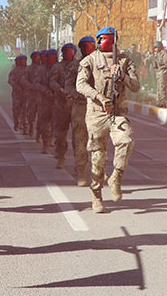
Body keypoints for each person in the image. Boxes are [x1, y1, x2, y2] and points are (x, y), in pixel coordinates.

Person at [76, 26, 140, 213]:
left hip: (117, 113)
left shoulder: (125, 61)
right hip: (97, 113)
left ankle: (116, 177)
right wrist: (99, 97)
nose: (104, 42)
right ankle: (96, 196)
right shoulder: (90, 60)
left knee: (126, 140)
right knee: (98, 158)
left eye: (109, 38)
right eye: (103, 38)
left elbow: (136, 86)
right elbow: (80, 84)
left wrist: (123, 76)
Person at [66, 36, 96, 186]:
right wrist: (77, 94)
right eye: (83, 46)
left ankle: (98, 171)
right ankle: (81, 171)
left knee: (99, 141)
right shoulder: (74, 66)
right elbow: (68, 86)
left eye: (89, 45)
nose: (86, 49)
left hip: (98, 108)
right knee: (80, 140)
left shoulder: (101, 63)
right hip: (81, 107)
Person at [50, 44, 77, 169]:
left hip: (77, 104)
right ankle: (61, 156)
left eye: (70, 51)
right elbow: (52, 81)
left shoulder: (80, 66)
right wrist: (61, 90)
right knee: (61, 134)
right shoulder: (58, 67)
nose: (68, 53)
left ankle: (79, 163)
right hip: (61, 104)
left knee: (79, 136)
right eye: (65, 51)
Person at [35, 50, 55, 154]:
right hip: (44, 101)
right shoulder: (41, 70)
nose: (51, 59)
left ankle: (52, 140)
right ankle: (45, 144)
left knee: (56, 125)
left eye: (53, 57)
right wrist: (45, 91)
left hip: (57, 101)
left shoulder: (59, 68)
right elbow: (36, 83)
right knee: (44, 124)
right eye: (49, 57)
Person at [8, 55, 28, 132]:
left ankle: (25, 127)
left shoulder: (28, 70)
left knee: (26, 110)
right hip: (17, 94)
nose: (23, 62)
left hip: (26, 93)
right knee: (16, 110)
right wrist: (16, 86)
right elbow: (10, 81)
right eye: (21, 60)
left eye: (24, 60)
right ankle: (17, 123)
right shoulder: (14, 71)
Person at [25, 52, 41, 137]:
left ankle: (39, 132)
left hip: (42, 95)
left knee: (42, 115)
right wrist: (30, 86)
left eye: (39, 57)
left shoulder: (42, 68)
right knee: (31, 113)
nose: (38, 59)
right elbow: (24, 80)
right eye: (36, 57)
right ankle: (31, 126)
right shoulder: (28, 69)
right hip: (32, 95)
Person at [151, 41, 167, 107]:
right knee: (158, 87)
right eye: (154, 48)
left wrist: (160, 65)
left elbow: (166, 64)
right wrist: (154, 57)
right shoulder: (157, 54)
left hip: (163, 72)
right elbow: (154, 65)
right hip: (158, 72)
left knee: (162, 87)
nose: (155, 49)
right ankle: (159, 101)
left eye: (156, 47)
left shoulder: (164, 53)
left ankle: (163, 102)